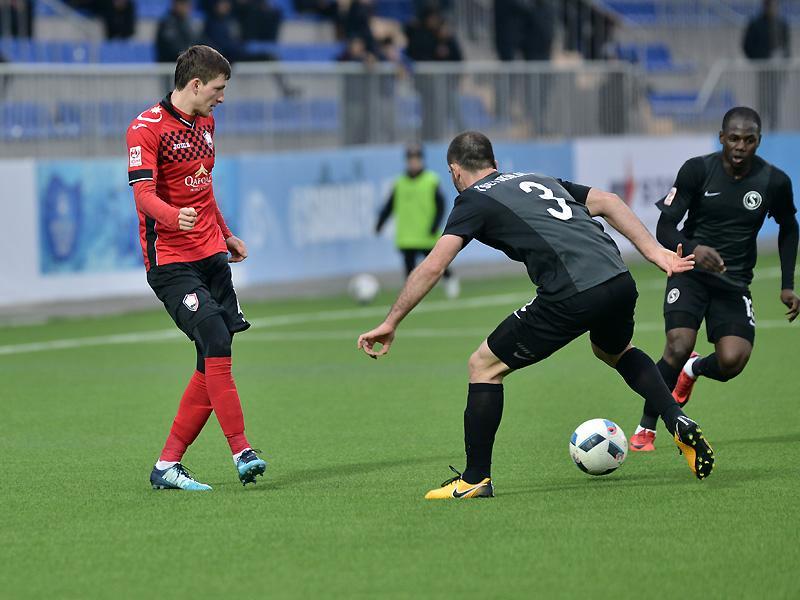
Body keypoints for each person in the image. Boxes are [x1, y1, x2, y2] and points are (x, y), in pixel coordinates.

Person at [357, 131, 715, 499]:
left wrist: (391, 321)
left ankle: (475, 478)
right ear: (494, 163)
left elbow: (434, 265)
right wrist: (654, 252)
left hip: (572, 292)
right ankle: (676, 418)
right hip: (619, 280)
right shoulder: (537, 178)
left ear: (455, 170)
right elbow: (609, 201)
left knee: (483, 366)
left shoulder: (472, 199)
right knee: (613, 350)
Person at [126, 45, 267, 491]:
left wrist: (225, 233)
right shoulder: (146, 128)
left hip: (211, 254)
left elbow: (204, 190)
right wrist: (173, 217)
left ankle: (167, 465)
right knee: (215, 340)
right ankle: (242, 450)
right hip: (171, 261)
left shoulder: (206, 123)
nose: (222, 97)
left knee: (213, 357)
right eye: (218, 89)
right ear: (195, 84)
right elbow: (143, 195)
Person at [629, 107, 798, 452]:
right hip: (690, 272)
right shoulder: (697, 170)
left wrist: (787, 284)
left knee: (732, 361)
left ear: (758, 141)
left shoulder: (774, 181)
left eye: (749, 140)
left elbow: (789, 227)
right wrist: (695, 248)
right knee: (677, 344)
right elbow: (664, 228)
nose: (740, 147)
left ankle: (694, 369)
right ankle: (646, 426)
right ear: (722, 137)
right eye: (733, 138)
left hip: (734, 282)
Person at [375, 144, 459, 298]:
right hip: (407, 236)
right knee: (410, 272)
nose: (413, 162)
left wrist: (435, 225)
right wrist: (380, 223)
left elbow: (441, 206)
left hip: (426, 234)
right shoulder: (400, 182)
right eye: (411, 159)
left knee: (437, 264)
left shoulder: (431, 180)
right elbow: (389, 206)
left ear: (421, 160)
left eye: (416, 159)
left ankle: (450, 280)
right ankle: (411, 296)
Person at [743, 0, 790, 130]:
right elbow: (747, 46)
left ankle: (774, 129)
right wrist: (761, 58)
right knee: (763, 102)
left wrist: (784, 59)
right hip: (762, 71)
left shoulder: (782, 24)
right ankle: (761, 128)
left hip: (777, 71)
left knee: (775, 101)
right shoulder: (756, 24)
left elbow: (787, 46)